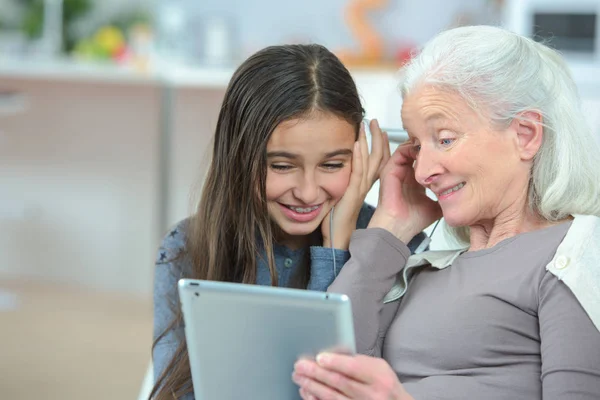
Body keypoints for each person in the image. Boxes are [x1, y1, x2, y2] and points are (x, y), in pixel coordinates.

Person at [293, 25, 600, 400]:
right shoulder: (422, 269)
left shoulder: (576, 253)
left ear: (525, 135)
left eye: (446, 139)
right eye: (418, 145)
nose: (422, 172)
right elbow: (323, 366)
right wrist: (391, 226)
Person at [150, 44, 427, 399]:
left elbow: (327, 388)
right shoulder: (186, 246)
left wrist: (335, 253)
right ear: (238, 157)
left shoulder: (399, 249)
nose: (308, 193)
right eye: (281, 166)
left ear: (362, 157)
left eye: (332, 165)